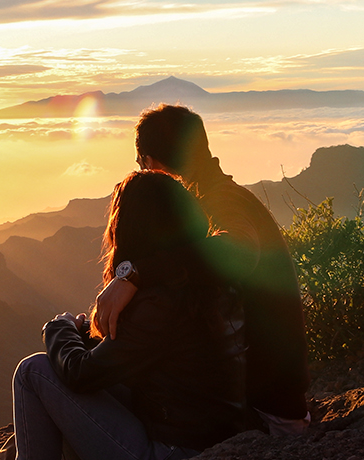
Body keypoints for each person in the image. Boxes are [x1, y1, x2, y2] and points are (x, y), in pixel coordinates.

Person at [91, 104, 310, 435]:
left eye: (141, 165)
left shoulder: (222, 201)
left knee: (91, 393)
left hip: (261, 413)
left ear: (150, 163)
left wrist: (135, 274)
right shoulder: (213, 197)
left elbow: (237, 252)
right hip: (260, 402)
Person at [8, 171, 246, 460]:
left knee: (34, 371)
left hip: (172, 451)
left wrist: (60, 327)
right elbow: (128, 353)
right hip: (205, 434)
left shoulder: (160, 302)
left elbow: (81, 374)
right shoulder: (204, 283)